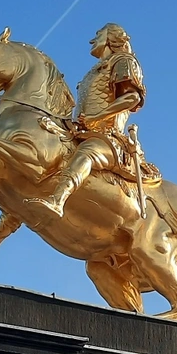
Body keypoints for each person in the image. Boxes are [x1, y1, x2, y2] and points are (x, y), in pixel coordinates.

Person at [29, 23, 146, 218]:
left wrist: (97, 117)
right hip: (81, 131)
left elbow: (132, 98)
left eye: (98, 35)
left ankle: (58, 201)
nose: (93, 40)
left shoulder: (123, 61)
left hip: (108, 138)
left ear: (111, 39)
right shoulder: (95, 70)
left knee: (87, 153)